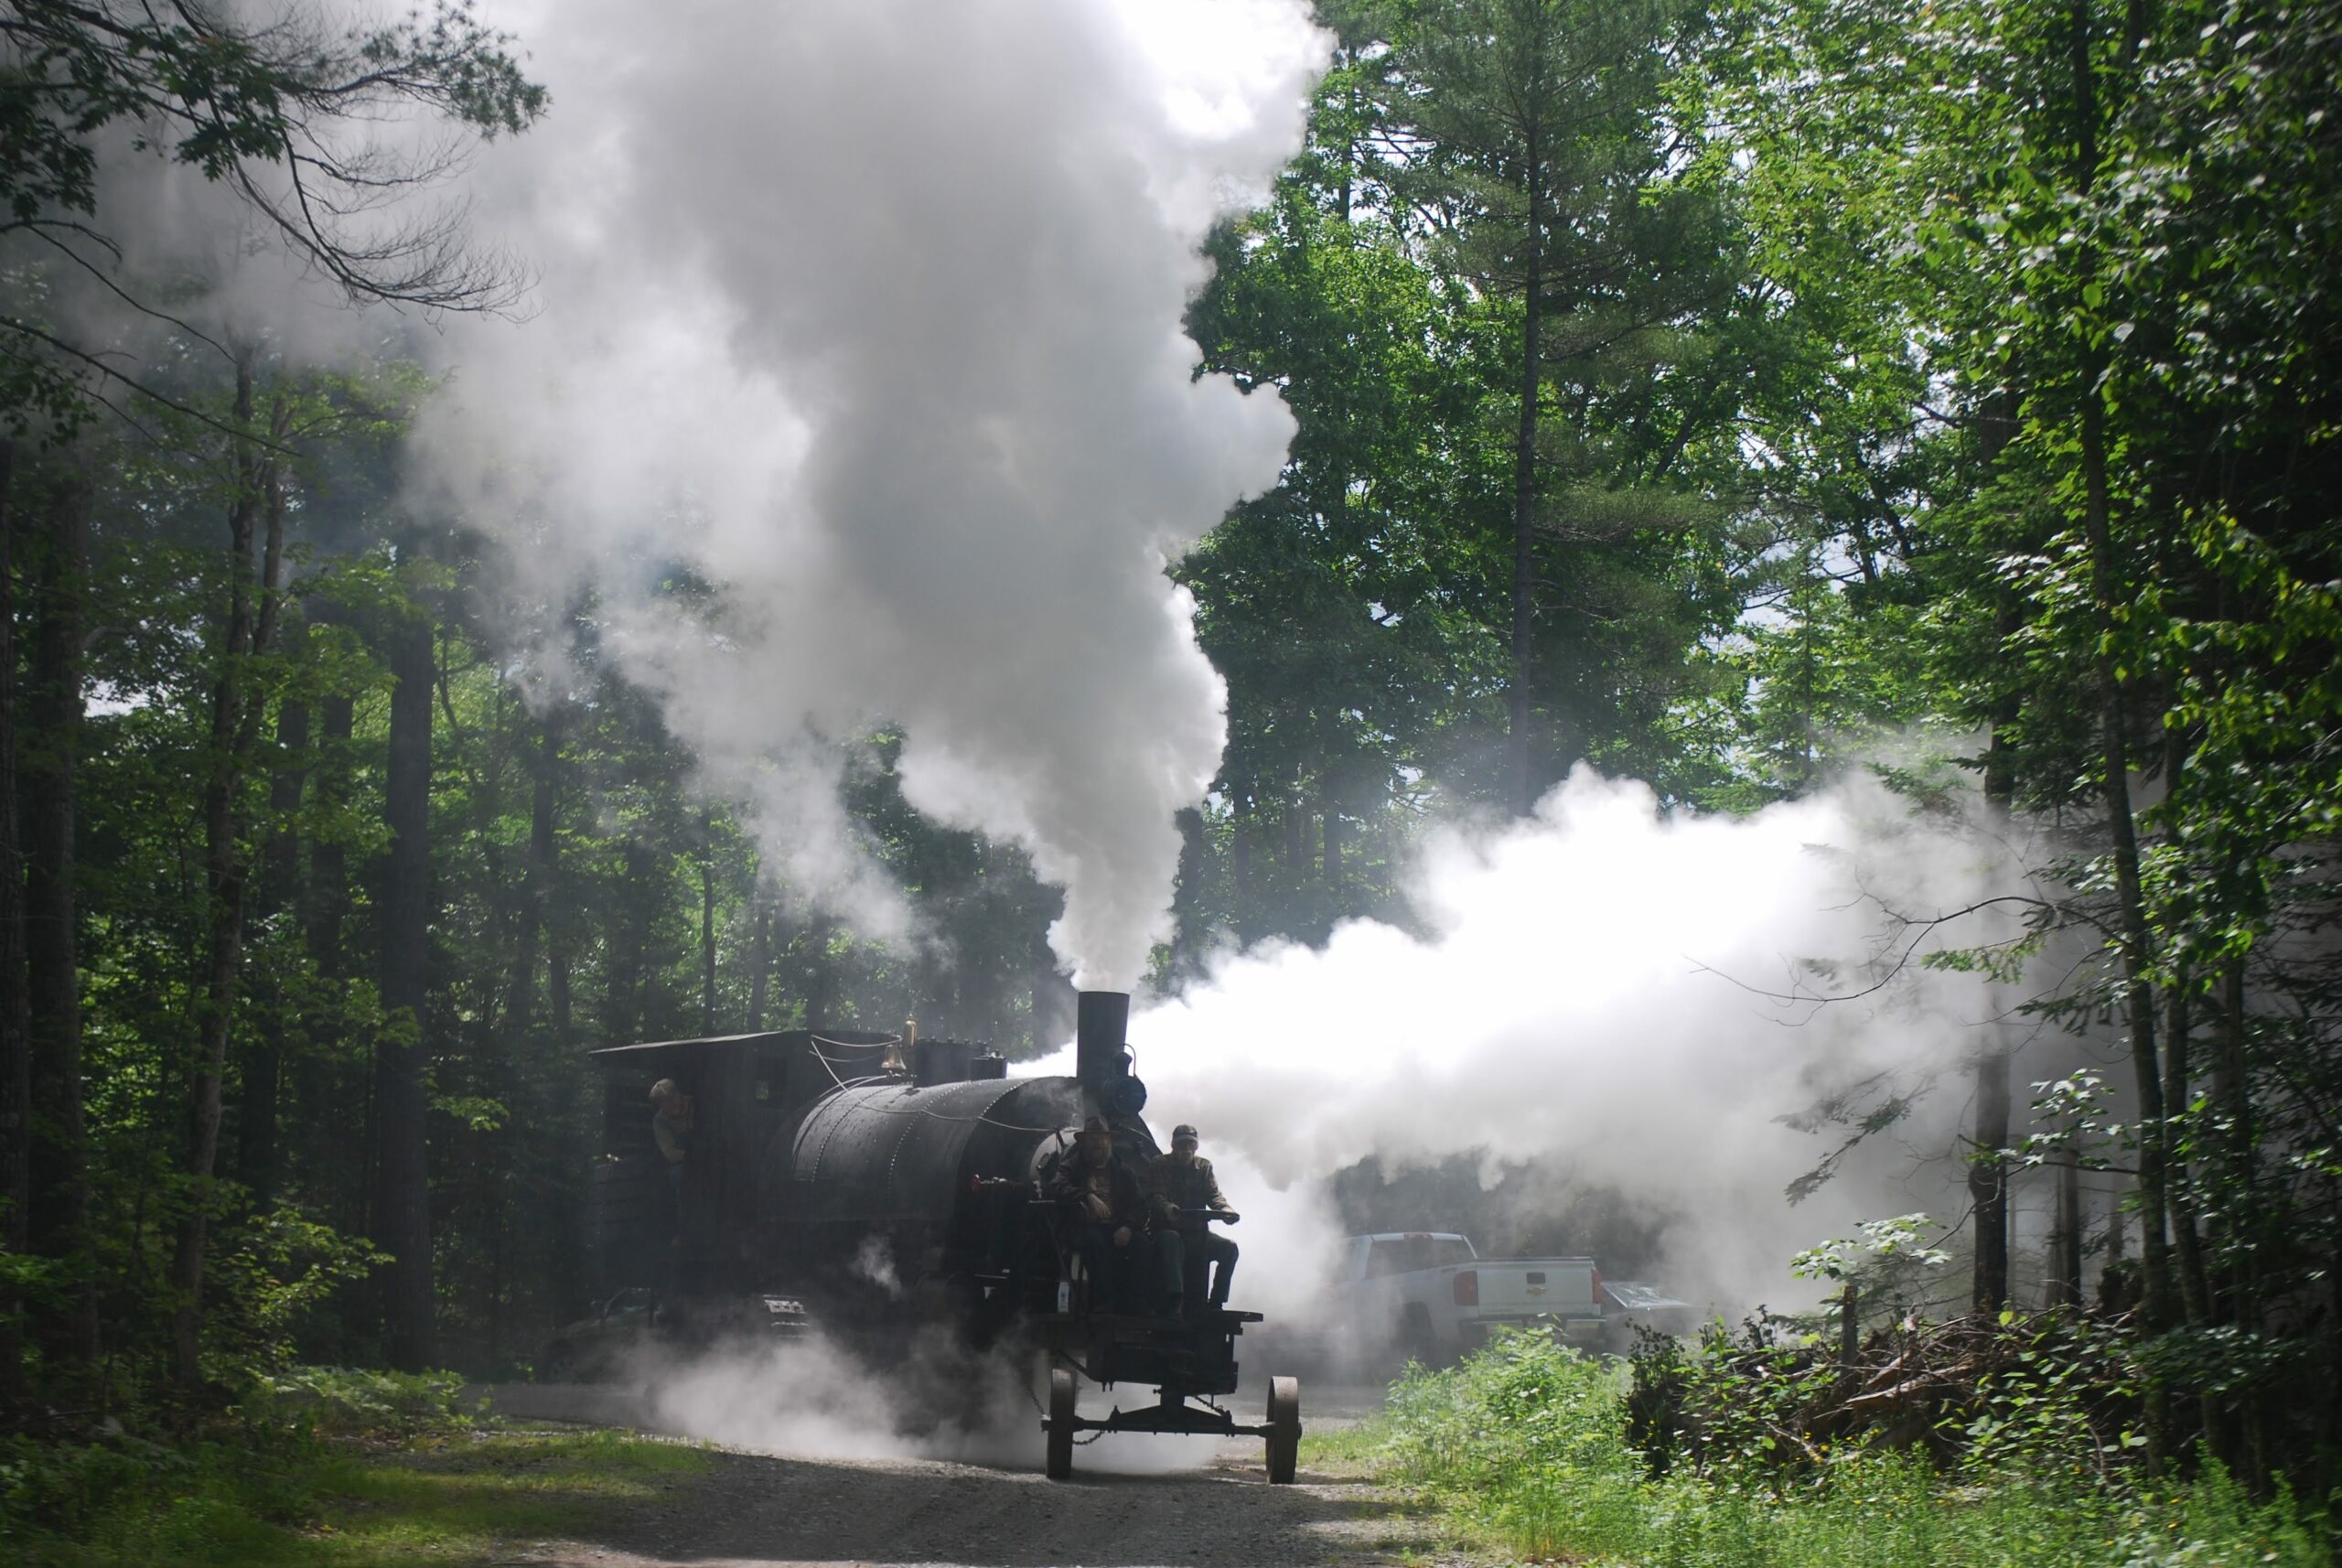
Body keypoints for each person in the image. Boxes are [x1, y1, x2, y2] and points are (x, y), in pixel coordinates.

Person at [1048, 1116, 1148, 1313]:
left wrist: (1127, 1227)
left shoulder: (1123, 1171)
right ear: (1085, 1142)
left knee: (1142, 1244)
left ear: (1110, 1142)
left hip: (1118, 1226)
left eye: (1103, 1139)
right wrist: (1087, 1197)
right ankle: (1103, 1301)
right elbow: (1057, 1187)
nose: (1098, 1144)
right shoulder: (1071, 1166)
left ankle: (1136, 1302)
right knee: (1094, 1241)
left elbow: (1140, 1205)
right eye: (1093, 1139)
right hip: (1082, 1226)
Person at [1147, 1123, 1240, 1316]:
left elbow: (1214, 1195)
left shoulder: (1204, 1167)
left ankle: (1216, 1303)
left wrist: (1225, 1210)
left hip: (1198, 1234)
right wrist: (1168, 1208)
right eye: (1182, 1144)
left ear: (1196, 1146)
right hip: (1167, 1231)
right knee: (1171, 1240)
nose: (1186, 1149)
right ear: (1173, 1145)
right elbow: (1156, 1196)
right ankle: (1176, 1300)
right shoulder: (1159, 1164)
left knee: (1229, 1248)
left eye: (1190, 1144)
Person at [649, 1078, 693, 1204]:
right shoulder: (660, 1121)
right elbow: (670, 1153)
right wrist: (692, 1157)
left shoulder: (696, 1104)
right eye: (665, 1102)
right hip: (684, 1162)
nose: (671, 1104)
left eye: (672, 1098)